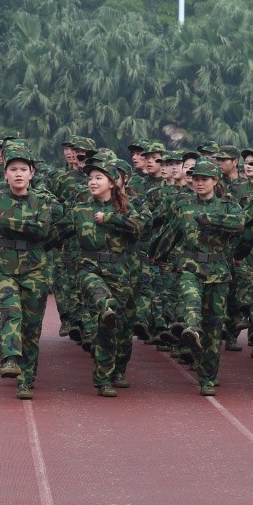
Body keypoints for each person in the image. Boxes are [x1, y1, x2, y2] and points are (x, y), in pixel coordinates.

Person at [150, 159, 245, 396]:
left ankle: (207, 377)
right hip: (190, 266)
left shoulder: (227, 206)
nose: (199, 183)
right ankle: (191, 328)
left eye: (205, 179)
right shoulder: (184, 205)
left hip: (218, 272)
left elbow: (240, 225)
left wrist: (210, 220)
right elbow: (171, 233)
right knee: (190, 300)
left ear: (215, 181)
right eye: (196, 179)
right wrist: (157, 256)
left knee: (213, 327)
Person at [57, 159, 145, 396]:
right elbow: (55, 232)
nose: (92, 182)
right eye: (90, 178)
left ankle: (118, 371)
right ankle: (103, 379)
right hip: (89, 268)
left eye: (98, 178)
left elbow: (140, 227)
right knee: (105, 308)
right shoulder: (80, 210)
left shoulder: (126, 208)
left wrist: (110, 218)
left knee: (120, 327)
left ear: (112, 183)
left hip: (119, 272)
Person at [0, 148, 57, 399]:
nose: (18, 174)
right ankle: (9, 357)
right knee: (10, 311)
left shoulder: (42, 201)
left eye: (23, 170)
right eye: (13, 169)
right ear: (5, 174)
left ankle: (26, 381)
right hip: (4, 267)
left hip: (34, 269)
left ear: (32, 173)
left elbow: (41, 231)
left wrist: (4, 222)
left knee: (31, 328)